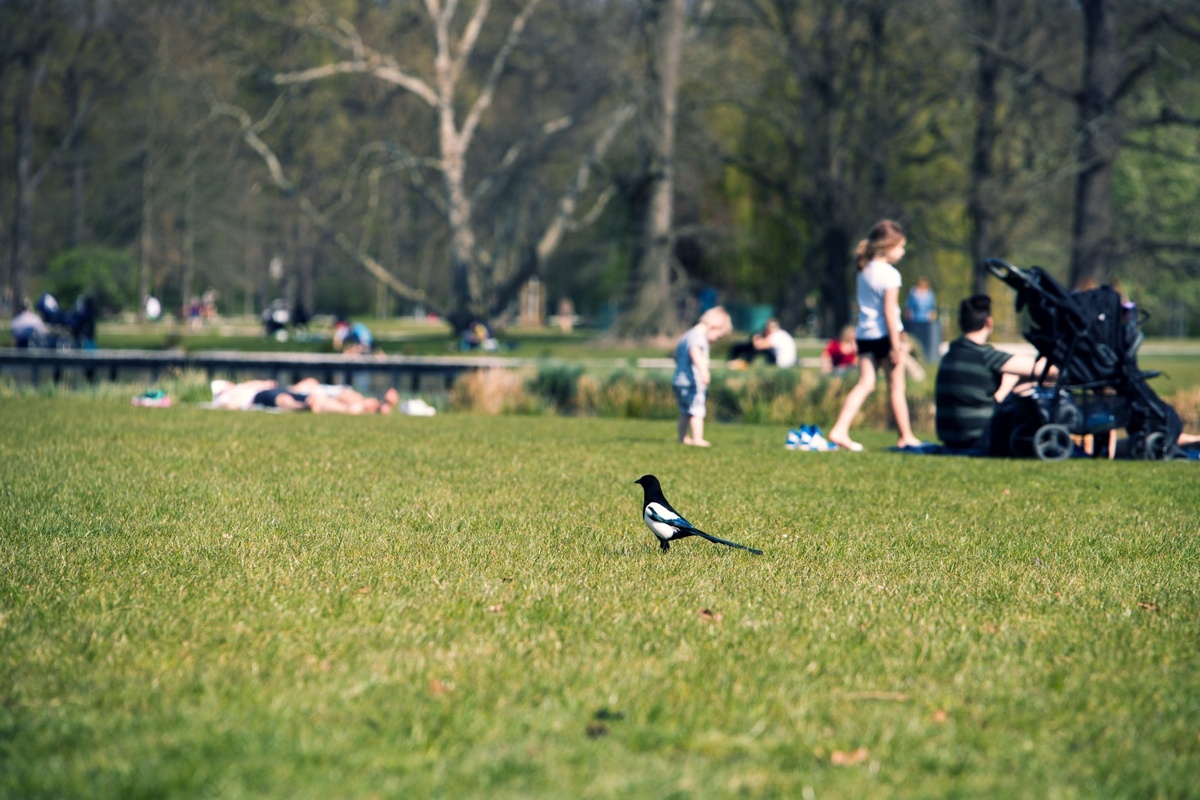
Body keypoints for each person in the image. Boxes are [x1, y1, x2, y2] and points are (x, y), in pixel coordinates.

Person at [826, 220, 923, 452]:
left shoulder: (863, 269)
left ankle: (840, 428)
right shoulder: (890, 275)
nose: (903, 251)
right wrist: (896, 345)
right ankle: (906, 436)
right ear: (888, 246)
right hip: (885, 337)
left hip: (864, 335)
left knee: (865, 384)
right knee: (896, 388)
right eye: (900, 246)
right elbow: (890, 313)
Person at [934, 294, 1055, 453]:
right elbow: (1048, 371)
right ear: (989, 322)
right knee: (1027, 383)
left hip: (950, 438)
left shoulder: (950, 353)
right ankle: (1050, 441)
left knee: (1015, 379)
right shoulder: (985, 355)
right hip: (980, 438)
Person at [673, 306, 732, 447]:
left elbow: (676, 355)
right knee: (697, 410)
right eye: (719, 335)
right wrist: (703, 370)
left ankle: (682, 437)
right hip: (692, 380)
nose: (717, 340)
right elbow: (695, 352)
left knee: (685, 411)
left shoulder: (687, 335)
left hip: (679, 379)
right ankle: (697, 438)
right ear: (714, 326)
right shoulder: (699, 337)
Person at [728, 318, 797, 368]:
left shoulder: (775, 336)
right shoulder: (782, 334)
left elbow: (758, 345)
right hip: (788, 363)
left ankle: (745, 363)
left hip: (782, 364)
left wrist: (755, 338)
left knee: (755, 348)